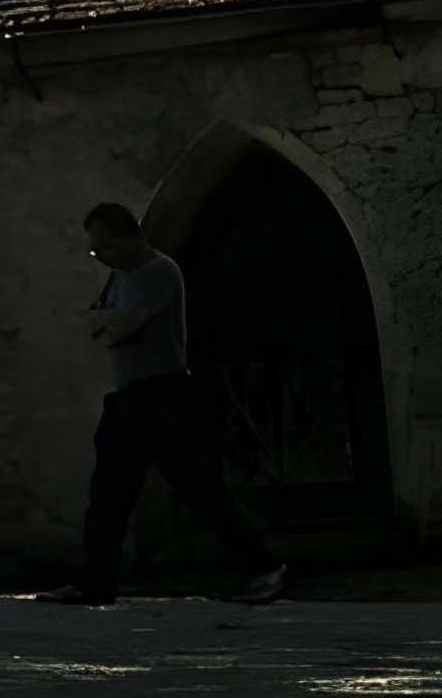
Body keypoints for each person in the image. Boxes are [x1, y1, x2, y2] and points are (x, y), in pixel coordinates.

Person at [36, 201, 287, 604]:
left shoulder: (159, 272)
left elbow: (116, 329)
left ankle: (263, 568)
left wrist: (110, 323)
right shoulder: (118, 276)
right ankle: (94, 583)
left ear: (128, 236)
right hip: (129, 396)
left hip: (163, 394)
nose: (100, 257)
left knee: (201, 488)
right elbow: (97, 320)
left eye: (103, 248)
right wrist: (109, 322)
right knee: (107, 495)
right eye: (94, 251)